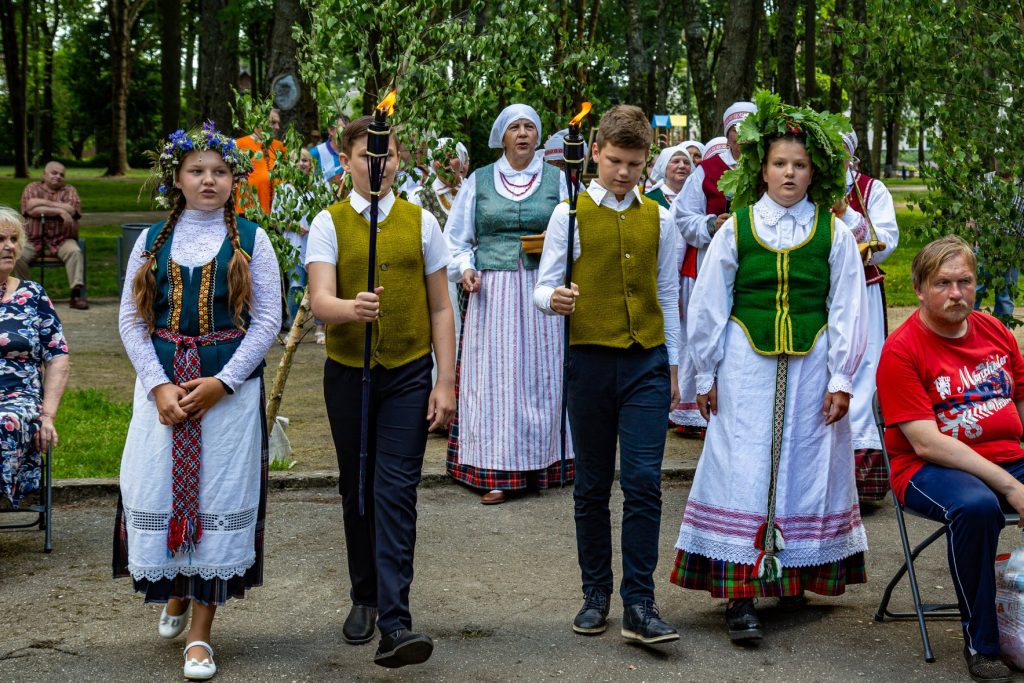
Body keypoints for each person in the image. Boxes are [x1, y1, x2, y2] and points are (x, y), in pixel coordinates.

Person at [670, 92, 869, 645]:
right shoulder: (736, 227)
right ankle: (739, 595)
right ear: (761, 168)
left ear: (814, 173)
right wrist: (703, 376)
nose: (789, 173)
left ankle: (792, 576)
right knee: (742, 464)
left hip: (811, 374)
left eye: (799, 165)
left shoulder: (835, 235)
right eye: (780, 163)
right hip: (745, 370)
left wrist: (841, 378)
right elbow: (709, 303)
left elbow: (848, 310)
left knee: (805, 464)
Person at [115, 123, 281, 681]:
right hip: (161, 389)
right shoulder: (151, 241)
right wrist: (159, 384)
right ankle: (175, 592)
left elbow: (266, 325)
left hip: (227, 398)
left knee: (217, 499)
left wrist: (223, 383)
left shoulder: (254, 241)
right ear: (177, 180)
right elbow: (131, 321)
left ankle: (202, 636)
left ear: (235, 180)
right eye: (197, 171)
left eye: (220, 171)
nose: (209, 179)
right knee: (155, 487)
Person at [306, 115, 456, 668]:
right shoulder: (330, 221)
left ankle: (396, 621)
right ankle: (363, 594)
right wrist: (351, 308)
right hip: (348, 373)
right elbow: (321, 299)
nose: (379, 165)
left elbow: (441, 306)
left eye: (388, 155)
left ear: (399, 161)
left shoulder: (421, 223)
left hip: (409, 374)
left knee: (395, 491)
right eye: (369, 156)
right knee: (358, 488)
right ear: (346, 162)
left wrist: (446, 380)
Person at [536, 105, 682, 644]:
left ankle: (639, 603)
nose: (624, 173)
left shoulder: (660, 218)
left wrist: (672, 364)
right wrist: (554, 299)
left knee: (644, 482)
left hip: (645, 360)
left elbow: (667, 294)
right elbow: (541, 287)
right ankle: (595, 592)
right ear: (595, 152)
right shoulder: (567, 214)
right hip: (588, 362)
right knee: (593, 485)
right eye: (615, 160)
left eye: (635, 164)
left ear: (647, 162)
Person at [876, 235, 1024, 683]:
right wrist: (1012, 486)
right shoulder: (901, 350)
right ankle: (982, 642)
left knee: (987, 495)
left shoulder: (995, 330)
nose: (956, 293)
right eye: (943, 283)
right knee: (976, 507)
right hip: (930, 469)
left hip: (1005, 458)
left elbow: (1019, 399)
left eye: (965, 282)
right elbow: (926, 443)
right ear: (920, 288)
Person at [444, 104, 571, 505]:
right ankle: (496, 469)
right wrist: (465, 268)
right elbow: (457, 241)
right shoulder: (479, 181)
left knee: (540, 376)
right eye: (515, 127)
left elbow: (572, 232)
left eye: (529, 127)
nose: (522, 134)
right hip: (493, 291)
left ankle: (544, 462)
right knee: (496, 380)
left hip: (541, 288)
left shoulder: (558, 180)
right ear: (502, 136)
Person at [668, 106, 756, 436]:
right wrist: (710, 223)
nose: (741, 138)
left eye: (748, 130)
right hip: (714, 263)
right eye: (735, 131)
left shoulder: (767, 166)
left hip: (755, 264)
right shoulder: (708, 170)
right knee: (710, 328)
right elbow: (683, 215)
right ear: (728, 134)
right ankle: (699, 409)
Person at [835, 131, 900, 502]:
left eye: (841, 151)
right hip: (817, 293)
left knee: (862, 370)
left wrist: (845, 212)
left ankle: (861, 483)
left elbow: (884, 242)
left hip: (862, 291)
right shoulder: (801, 181)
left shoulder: (871, 189)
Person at [0, 206, 70, 508]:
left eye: (14, 239)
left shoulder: (33, 295)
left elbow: (58, 356)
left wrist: (48, 416)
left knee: (5, 422)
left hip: (19, 399)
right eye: (0, 239)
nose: (9, 246)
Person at [271, 145, 328, 343]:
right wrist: (294, 226)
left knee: (318, 285)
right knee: (296, 287)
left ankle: (320, 328)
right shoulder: (283, 189)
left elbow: (328, 212)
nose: (302, 164)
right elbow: (275, 219)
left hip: (317, 245)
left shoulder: (320, 186)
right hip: (294, 245)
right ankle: (295, 329)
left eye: (305, 160)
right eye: (299, 160)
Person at [16, 161, 88, 309]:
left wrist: (41, 205)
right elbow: (30, 209)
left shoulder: (70, 190)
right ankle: (24, 294)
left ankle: (76, 295)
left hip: (62, 240)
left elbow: (72, 210)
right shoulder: (31, 188)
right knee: (17, 255)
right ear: (44, 174)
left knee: (75, 252)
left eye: (62, 174)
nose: (58, 176)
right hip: (32, 239)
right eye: (54, 173)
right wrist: (60, 211)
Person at [235, 109, 286, 214]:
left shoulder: (280, 147)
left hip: (275, 214)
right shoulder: (239, 144)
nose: (277, 127)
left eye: (278, 123)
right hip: (248, 212)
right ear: (259, 122)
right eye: (272, 123)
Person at [645, 144, 694, 209]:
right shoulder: (649, 199)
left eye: (686, 162)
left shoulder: (697, 197)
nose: (682, 166)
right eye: (676, 161)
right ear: (664, 167)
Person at [311, 113, 349, 185]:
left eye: (348, 130)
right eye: (342, 129)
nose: (346, 133)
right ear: (331, 130)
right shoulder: (316, 153)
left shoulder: (352, 152)